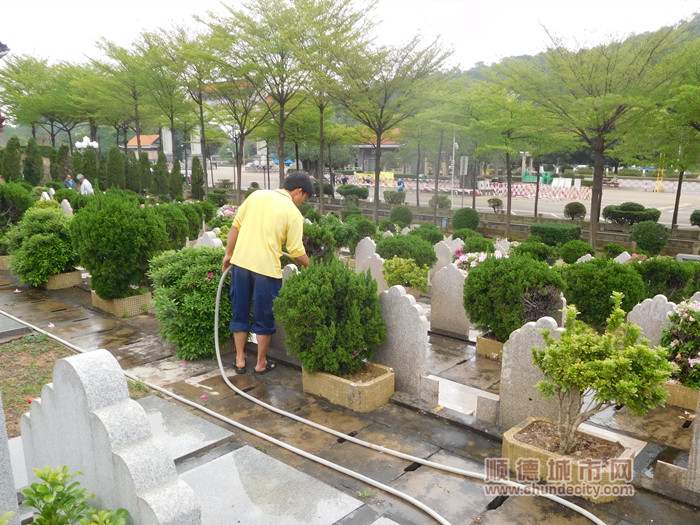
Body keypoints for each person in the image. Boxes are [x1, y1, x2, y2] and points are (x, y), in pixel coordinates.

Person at [222, 171, 312, 375]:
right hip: (266, 271)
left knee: (240, 311)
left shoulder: (256, 196)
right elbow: (297, 251)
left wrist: (228, 254)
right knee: (264, 318)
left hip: (241, 264)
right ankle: (261, 363)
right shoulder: (293, 213)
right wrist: (311, 268)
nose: (301, 203)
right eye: (304, 199)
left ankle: (240, 360)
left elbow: (235, 226)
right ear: (299, 191)